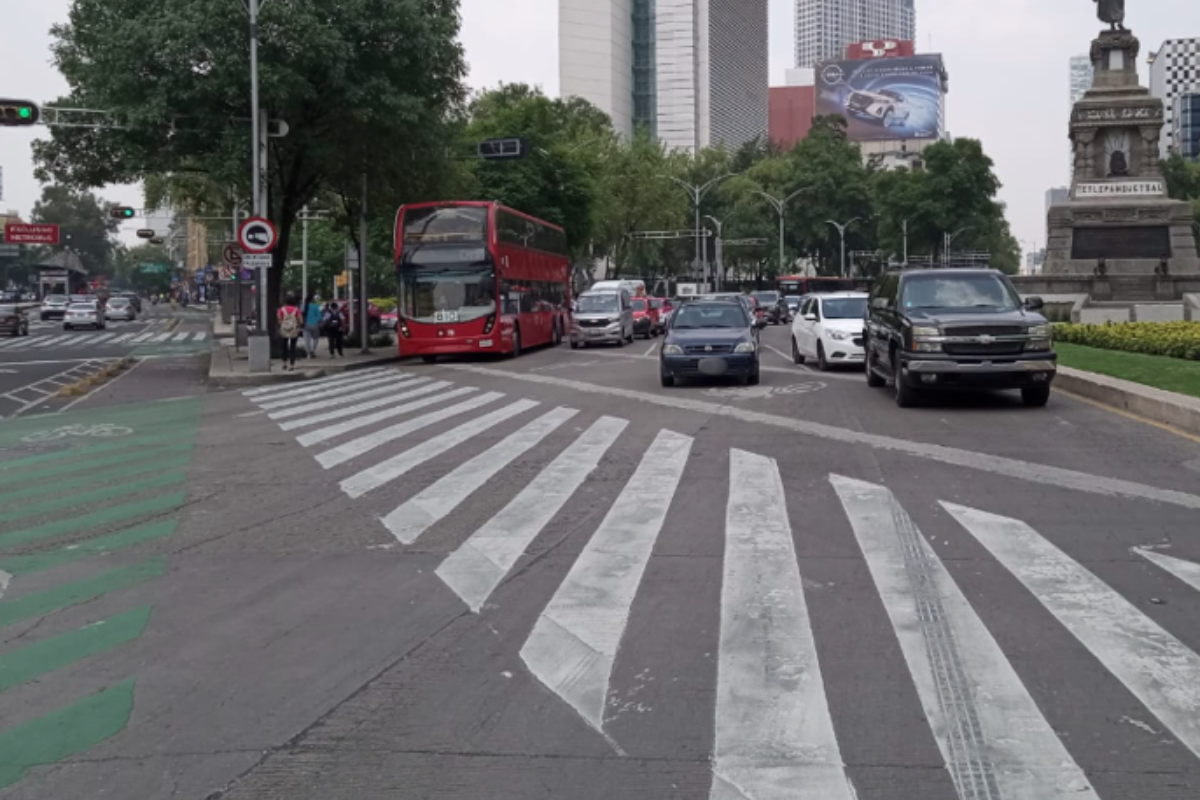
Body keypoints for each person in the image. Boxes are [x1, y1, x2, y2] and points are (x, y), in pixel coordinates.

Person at [277, 293, 303, 371]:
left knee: (284, 346)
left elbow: (279, 320)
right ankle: (292, 365)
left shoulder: (281, 310)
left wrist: (284, 325)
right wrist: (297, 325)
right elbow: (301, 321)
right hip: (294, 329)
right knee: (293, 347)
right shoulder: (296, 310)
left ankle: (284, 363)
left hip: (284, 329)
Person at [301, 293, 322, 358]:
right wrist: (318, 321)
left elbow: (300, 315)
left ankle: (308, 353)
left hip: (305, 325)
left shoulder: (303, 306)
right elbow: (319, 316)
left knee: (307, 340)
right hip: (314, 324)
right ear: (312, 299)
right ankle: (313, 350)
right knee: (316, 338)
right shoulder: (315, 306)